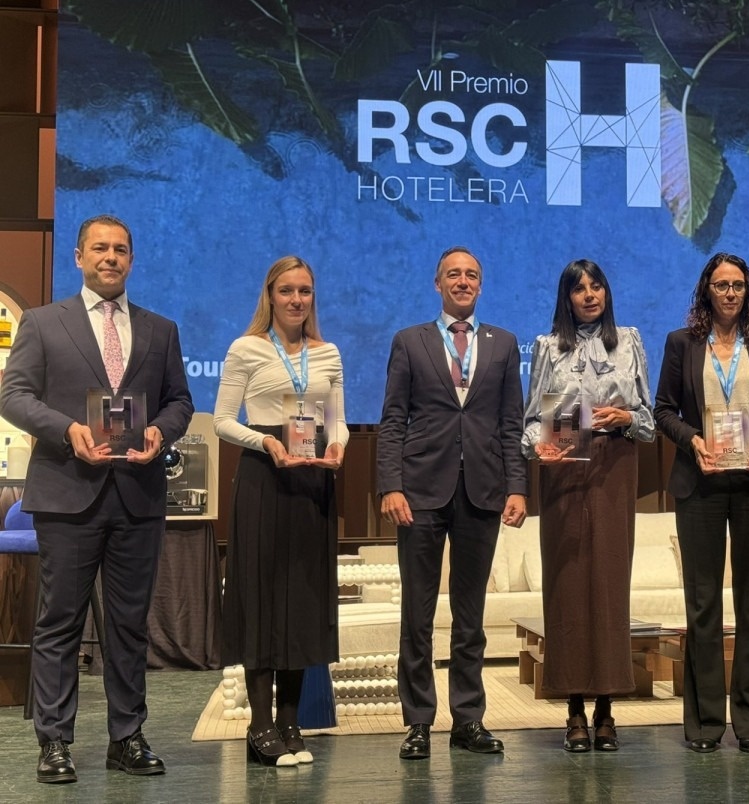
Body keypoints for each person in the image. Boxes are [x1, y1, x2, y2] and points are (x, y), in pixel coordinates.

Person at [0, 214, 193, 784]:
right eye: (100, 249)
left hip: (137, 493)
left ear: (132, 260)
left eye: (121, 250)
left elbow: (179, 401)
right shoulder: (42, 323)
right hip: (67, 495)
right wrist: (67, 431)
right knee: (59, 622)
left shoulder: (161, 330)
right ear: (79, 257)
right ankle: (55, 742)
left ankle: (127, 736)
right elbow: (13, 395)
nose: (111, 257)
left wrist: (162, 430)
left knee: (130, 626)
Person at [377, 246, 527, 760]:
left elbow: (512, 423)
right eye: (453, 275)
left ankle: (469, 719)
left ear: (480, 286)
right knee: (416, 616)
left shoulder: (504, 344)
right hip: (419, 492)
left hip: (482, 492)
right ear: (437, 283)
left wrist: (518, 486)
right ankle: (418, 721)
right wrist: (389, 485)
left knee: (471, 616)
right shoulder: (409, 341)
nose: (463, 282)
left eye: (472, 275)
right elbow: (393, 419)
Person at [653, 252, 749, 754]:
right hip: (701, 483)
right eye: (720, 285)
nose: (729, 293)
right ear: (706, 291)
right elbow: (663, 409)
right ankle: (705, 725)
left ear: (747, 291)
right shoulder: (682, 344)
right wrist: (691, 440)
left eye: (737, 285)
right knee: (703, 607)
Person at [213, 256, 348, 767]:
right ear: (270, 295)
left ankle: (291, 722)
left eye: (305, 291)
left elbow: (334, 420)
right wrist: (266, 444)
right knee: (263, 598)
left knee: (303, 602)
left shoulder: (329, 352)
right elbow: (224, 420)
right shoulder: (245, 348)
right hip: (264, 478)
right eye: (287, 290)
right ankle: (260, 726)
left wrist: (337, 449)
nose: (296, 300)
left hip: (312, 478)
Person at [522, 260, 655, 753]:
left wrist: (626, 414)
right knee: (568, 585)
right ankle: (574, 710)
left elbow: (648, 418)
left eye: (596, 285)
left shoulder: (631, 340)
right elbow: (532, 420)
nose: (589, 294)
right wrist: (538, 445)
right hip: (563, 467)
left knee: (608, 584)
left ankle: (606, 710)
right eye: (578, 289)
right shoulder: (546, 347)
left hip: (615, 464)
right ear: (567, 297)